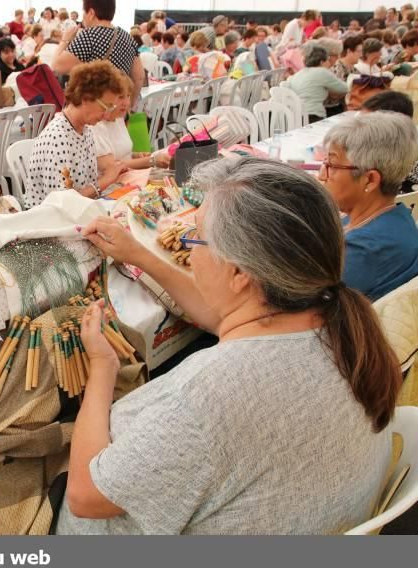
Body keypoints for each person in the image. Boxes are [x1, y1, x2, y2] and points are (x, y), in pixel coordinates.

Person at [58, 156, 400, 534]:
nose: (190, 249)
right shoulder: (333, 325)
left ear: (239, 272)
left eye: (196, 237)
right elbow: (226, 317)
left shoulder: (205, 399)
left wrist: (102, 370)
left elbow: (85, 496)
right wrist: (139, 254)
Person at [319, 111, 418, 300]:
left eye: (332, 164)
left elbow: (306, 304)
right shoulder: (399, 217)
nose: (322, 175)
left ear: (370, 180)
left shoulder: (363, 251)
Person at [25, 61, 125, 209]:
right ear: (85, 98)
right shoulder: (58, 137)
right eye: (106, 107)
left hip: (76, 214)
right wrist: (106, 180)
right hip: (49, 223)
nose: (106, 115)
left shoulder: (85, 130)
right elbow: (63, 205)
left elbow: (85, 187)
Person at [53, 0, 145, 106]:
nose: (83, 17)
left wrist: (65, 40)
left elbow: (56, 66)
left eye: (84, 12)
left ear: (91, 13)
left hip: (94, 111)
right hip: (117, 109)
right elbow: (139, 77)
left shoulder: (89, 36)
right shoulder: (127, 37)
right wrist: (129, 106)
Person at [92, 75, 171, 176]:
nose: (126, 103)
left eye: (128, 96)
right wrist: (152, 161)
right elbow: (111, 166)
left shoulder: (118, 118)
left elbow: (121, 155)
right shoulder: (96, 125)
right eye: (120, 97)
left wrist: (136, 155)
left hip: (129, 176)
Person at [282, 46, 348, 122]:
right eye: (327, 60)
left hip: (296, 116)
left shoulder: (298, 74)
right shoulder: (322, 72)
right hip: (314, 115)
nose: (329, 63)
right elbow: (344, 88)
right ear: (321, 62)